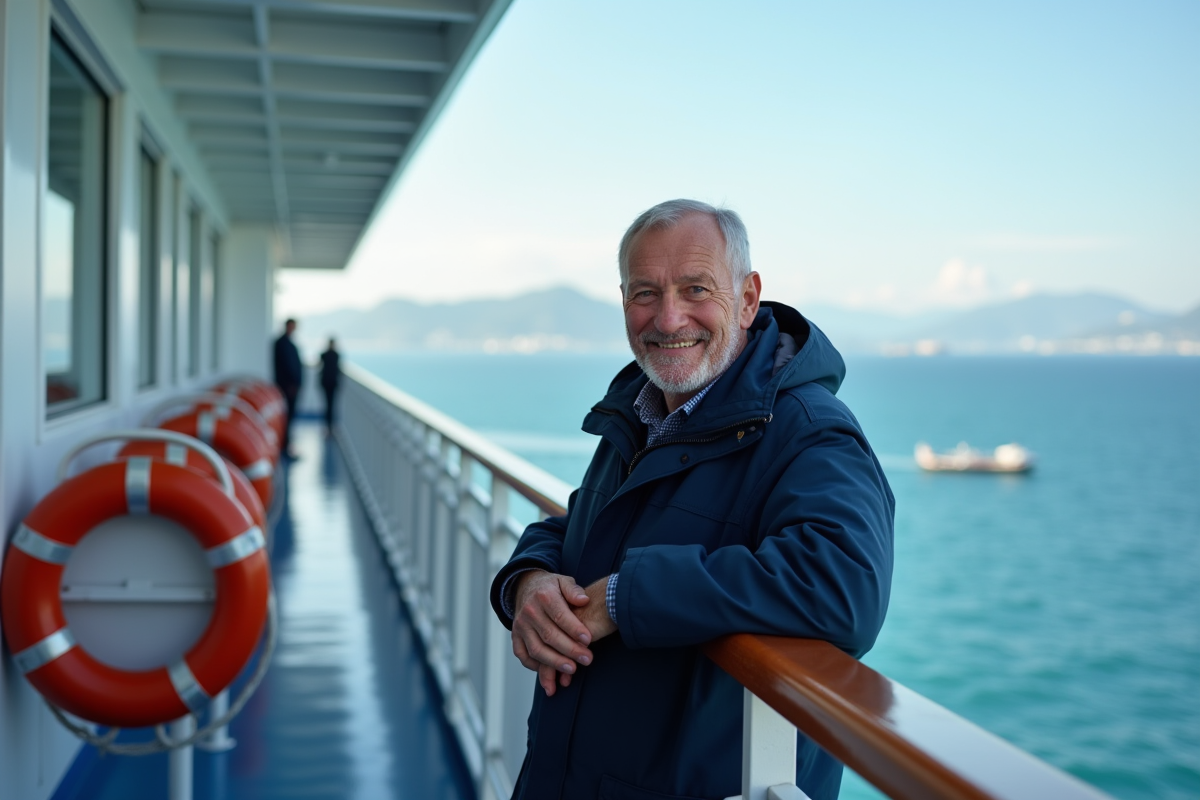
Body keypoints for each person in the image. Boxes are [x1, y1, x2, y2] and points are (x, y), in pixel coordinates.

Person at [489, 200, 895, 800]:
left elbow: (844, 582)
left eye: (695, 289)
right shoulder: (645, 409)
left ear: (749, 297)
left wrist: (627, 598)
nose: (669, 318)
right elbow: (588, 523)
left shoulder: (807, 429)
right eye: (644, 293)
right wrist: (527, 579)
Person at [273, 318, 303, 459]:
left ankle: (287, 445)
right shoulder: (282, 343)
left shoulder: (287, 343)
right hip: (287, 387)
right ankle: (285, 447)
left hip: (290, 387)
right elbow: (287, 367)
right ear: (287, 326)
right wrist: (291, 384)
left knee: (290, 417)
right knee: (287, 417)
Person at [319, 338, 341, 431]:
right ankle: (329, 426)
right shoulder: (333, 355)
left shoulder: (326, 355)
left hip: (329, 382)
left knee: (330, 405)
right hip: (329, 382)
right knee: (329, 405)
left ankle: (329, 426)